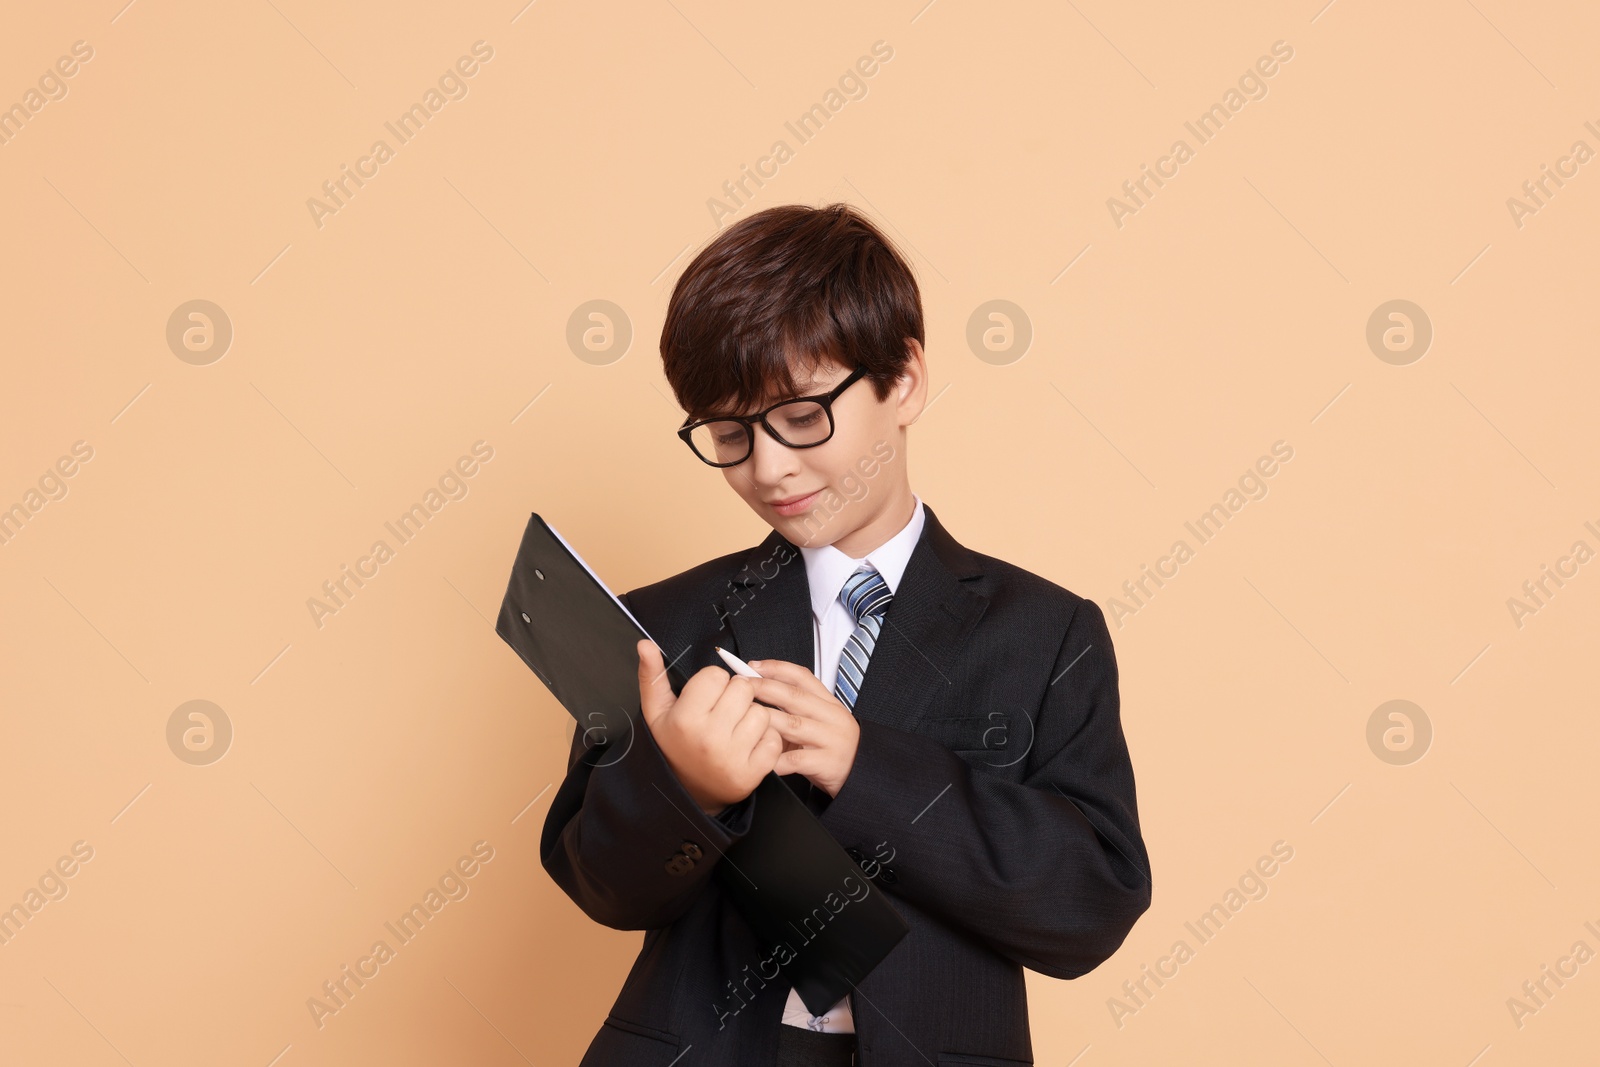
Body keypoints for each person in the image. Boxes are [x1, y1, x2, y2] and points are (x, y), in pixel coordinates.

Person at [540, 203, 1151, 1066]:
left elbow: (1089, 906)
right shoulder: (667, 621)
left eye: (799, 417)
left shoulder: (1047, 634)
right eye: (728, 432)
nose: (767, 467)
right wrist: (691, 786)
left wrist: (869, 770)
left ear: (902, 380)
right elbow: (598, 882)